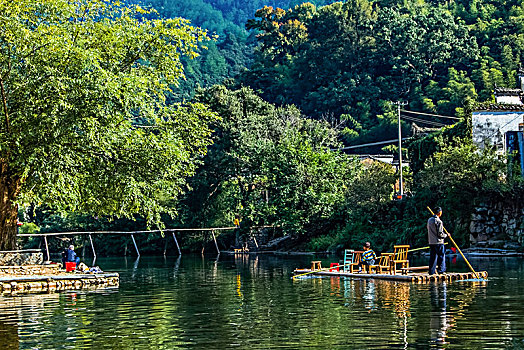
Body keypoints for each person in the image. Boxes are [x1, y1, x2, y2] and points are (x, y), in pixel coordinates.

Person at [428, 207, 448, 275]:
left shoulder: (429, 220)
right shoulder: (439, 221)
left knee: (433, 257)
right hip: (438, 242)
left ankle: (431, 271)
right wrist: (446, 235)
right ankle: (441, 270)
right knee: (441, 256)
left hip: (431, 241)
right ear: (440, 213)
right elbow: (440, 234)